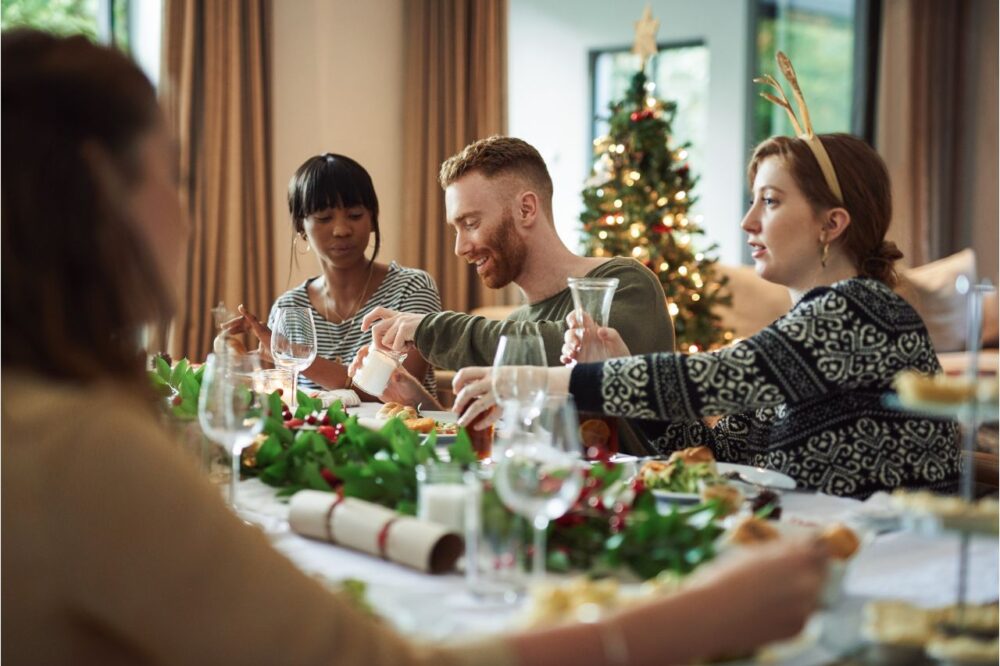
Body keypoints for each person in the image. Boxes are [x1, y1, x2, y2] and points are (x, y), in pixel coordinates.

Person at [2, 29, 829, 665]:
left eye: (470, 223)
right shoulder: (81, 449)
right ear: (98, 188)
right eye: (173, 178)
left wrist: (433, 356)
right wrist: (699, 622)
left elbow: (532, 356)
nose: (187, 213)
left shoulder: (615, 286)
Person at [455, 132, 961, 500]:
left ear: (832, 224)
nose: (748, 221)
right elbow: (710, 450)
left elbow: (715, 377)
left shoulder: (863, 310)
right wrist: (619, 367)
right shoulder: (802, 330)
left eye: (770, 201)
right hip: (818, 546)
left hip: (890, 561)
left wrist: (534, 379)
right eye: (752, 201)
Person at [360, 136, 675, 452]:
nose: (460, 248)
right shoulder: (518, 323)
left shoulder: (624, 284)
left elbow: (569, 355)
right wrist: (414, 400)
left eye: (471, 223)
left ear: (526, 209)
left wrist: (431, 329)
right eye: (456, 229)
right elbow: (509, 440)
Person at [226, 153, 441, 404]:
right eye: (324, 218)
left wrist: (296, 356)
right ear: (301, 227)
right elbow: (285, 401)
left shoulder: (412, 288)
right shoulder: (289, 308)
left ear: (373, 218)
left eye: (355, 215)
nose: (341, 230)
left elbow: (399, 390)